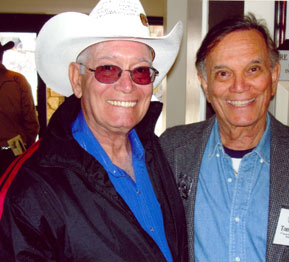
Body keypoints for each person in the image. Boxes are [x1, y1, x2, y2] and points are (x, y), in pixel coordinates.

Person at [0, 0, 188, 261]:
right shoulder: (34, 188)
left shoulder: (160, 153)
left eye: (141, 71)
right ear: (77, 81)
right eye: (108, 69)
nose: (127, 85)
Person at [160, 13, 289, 262]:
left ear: (273, 75)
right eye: (223, 74)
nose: (240, 86)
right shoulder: (172, 149)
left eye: (253, 69)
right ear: (205, 84)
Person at [0, 41, 39, 174]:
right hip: (13, 153)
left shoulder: (17, 81)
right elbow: (31, 123)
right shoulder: (17, 80)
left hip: (13, 153)